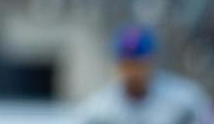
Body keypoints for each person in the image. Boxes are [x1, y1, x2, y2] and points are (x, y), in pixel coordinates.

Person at [76, 25, 213, 124]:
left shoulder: (186, 100)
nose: (133, 72)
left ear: (152, 61)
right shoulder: (98, 111)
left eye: (138, 63)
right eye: (127, 64)